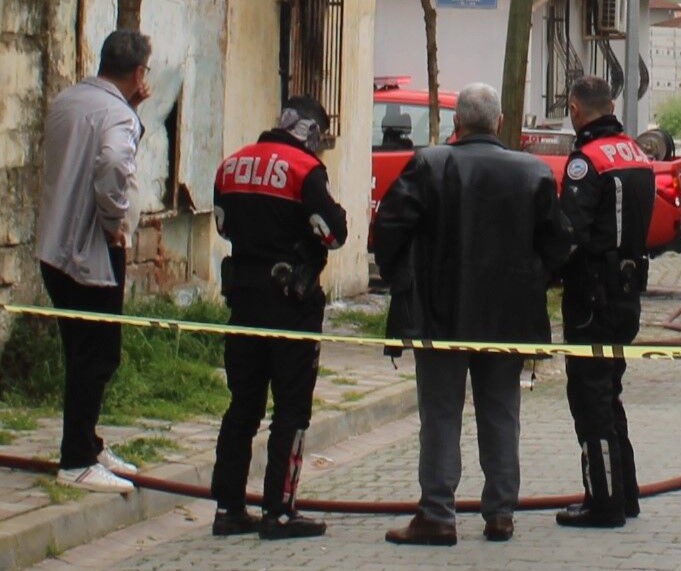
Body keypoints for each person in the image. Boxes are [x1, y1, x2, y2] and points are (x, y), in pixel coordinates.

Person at [369, 85, 564, 544]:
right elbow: (558, 243)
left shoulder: (429, 165)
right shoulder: (532, 172)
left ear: (457, 124)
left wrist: (404, 282)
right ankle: (500, 512)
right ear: (498, 123)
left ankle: (437, 514)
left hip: (441, 312)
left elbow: (389, 228)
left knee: (440, 413)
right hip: (508, 317)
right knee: (501, 411)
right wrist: (533, 279)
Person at [209, 96, 346, 539]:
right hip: (291, 304)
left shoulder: (232, 165)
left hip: (243, 301)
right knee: (291, 409)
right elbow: (334, 232)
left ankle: (229, 508)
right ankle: (279, 510)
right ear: (309, 131)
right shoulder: (305, 171)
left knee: (242, 406)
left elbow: (224, 226)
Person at [34, 28, 153, 492]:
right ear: (139, 72)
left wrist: (131, 112)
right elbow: (111, 168)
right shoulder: (117, 116)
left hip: (54, 245)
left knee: (79, 349)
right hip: (90, 252)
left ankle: (88, 440)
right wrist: (113, 222)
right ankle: (76, 459)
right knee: (98, 355)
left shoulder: (70, 100)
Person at [554, 72, 663, 530]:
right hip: (627, 291)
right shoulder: (636, 153)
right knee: (610, 392)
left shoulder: (587, 161)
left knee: (590, 397)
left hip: (593, 296)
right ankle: (625, 493)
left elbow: (570, 232)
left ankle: (603, 502)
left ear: (577, 111)